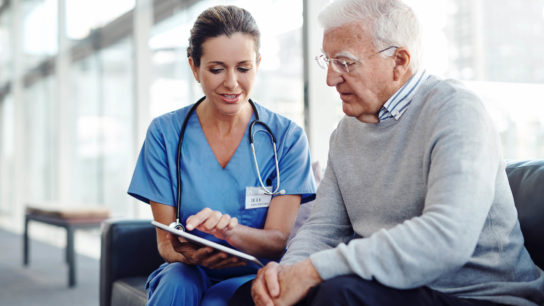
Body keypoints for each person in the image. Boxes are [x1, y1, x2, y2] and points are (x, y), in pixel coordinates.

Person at [231, 0, 544, 305]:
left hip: (478, 294)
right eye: (327, 62)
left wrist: (313, 271)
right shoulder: (346, 133)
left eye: (345, 62)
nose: (330, 78)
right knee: (250, 297)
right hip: (393, 288)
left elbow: (447, 239)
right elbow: (324, 229)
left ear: (399, 61)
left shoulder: (456, 111)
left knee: (338, 294)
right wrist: (286, 276)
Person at [127, 5, 316, 306]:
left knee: (219, 301)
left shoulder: (286, 138)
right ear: (194, 67)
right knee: (176, 283)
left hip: (252, 273)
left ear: (258, 64)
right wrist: (186, 253)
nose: (231, 83)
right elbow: (165, 243)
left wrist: (230, 232)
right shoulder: (165, 134)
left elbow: (277, 239)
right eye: (216, 69)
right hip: (188, 268)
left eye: (243, 68)